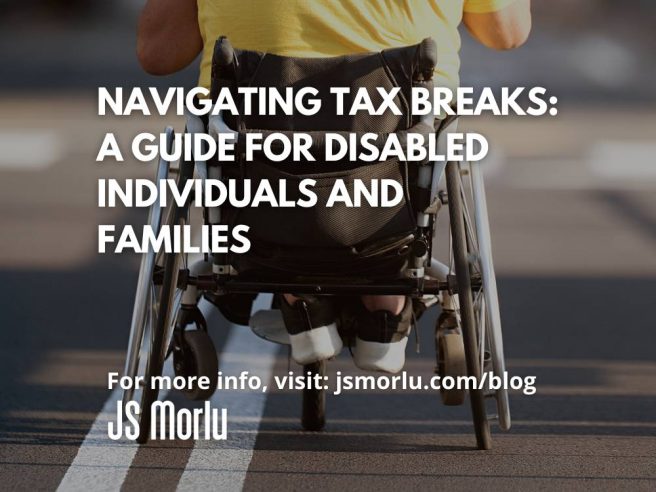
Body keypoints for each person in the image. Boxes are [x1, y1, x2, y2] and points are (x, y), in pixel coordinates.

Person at [137, 0, 531, 373]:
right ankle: (384, 306)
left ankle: (298, 295)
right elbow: (508, 32)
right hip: (396, 157)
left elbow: (158, 54)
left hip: (258, 166)